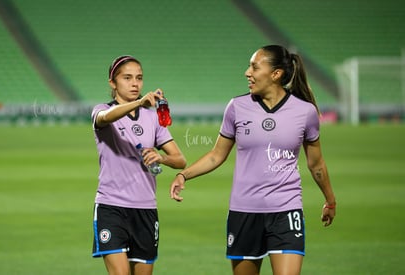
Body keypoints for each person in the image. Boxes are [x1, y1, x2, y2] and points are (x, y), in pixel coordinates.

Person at [170, 45, 336, 275]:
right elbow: (217, 155)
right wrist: (183, 174)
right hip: (244, 212)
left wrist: (330, 200)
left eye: (254, 67)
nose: (247, 72)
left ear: (276, 74)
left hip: (286, 210)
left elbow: (316, 163)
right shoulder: (237, 107)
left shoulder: (305, 112)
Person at [91, 55, 186, 275]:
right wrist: (139, 102)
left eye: (139, 78)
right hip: (111, 206)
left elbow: (180, 159)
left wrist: (161, 157)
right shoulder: (101, 109)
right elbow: (105, 118)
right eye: (127, 78)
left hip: (145, 209)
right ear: (112, 83)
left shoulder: (152, 118)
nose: (135, 83)